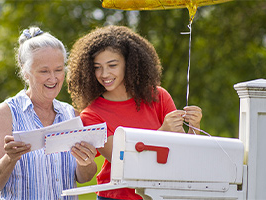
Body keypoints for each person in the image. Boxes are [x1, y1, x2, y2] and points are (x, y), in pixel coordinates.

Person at [67, 25, 202, 200]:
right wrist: (163, 132)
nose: (104, 74)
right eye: (97, 67)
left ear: (129, 64)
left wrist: (194, 127)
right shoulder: (92, 114)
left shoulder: (158, 96)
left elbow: (182, 152)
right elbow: (123, 160)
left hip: (161, 193)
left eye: (112, 65)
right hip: (117, 197)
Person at [0, 26, 97, 200]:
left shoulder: (71, 113)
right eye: (44, 71)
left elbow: (83, 177)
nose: (53, 78)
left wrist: (85, 161)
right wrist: (10, 159)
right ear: (26, 72)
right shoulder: (6, 112)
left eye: (58, 70)